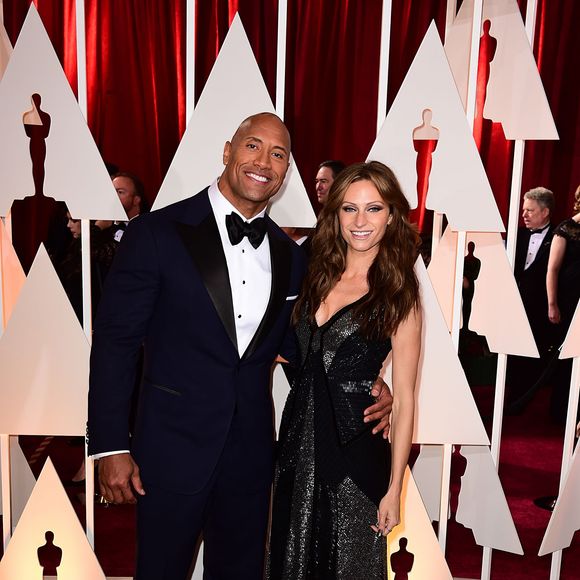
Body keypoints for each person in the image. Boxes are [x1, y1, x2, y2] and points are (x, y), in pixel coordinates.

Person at [88, 113, 391, 580]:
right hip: (170, 450)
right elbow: (115, 344)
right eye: (253, 146)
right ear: (227, 151)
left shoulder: (291, 257)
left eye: (278, 154)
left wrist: (367, 386)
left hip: (250, 455)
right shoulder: (158, 233)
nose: (263, 162)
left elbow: (303, 347)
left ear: (286, 171)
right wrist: (109, 446)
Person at [267, 161, 422, 578]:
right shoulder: (313, 273)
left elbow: (405, 399)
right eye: (349, 208)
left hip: (354, 456)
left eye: (374, 208)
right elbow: (289, 351)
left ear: (392, 215)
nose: (360, 221)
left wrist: (395, 490)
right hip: (295, 450)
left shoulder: (399, 293)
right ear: (334, 213)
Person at [506, 187, 556, 410]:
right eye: (524, 210)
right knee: (512, 354)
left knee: (533, 355)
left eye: (530, 210)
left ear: (545, 212)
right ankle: (509, 398)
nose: (524, 215)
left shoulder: (559, 237)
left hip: (540, 309)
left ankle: (523, 401)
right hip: (514, 307)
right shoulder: (515, 235)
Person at [546, 185, 580, 422]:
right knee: (567, 357)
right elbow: (552, 269)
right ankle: (562, 413)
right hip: (569, 300)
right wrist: (552, 304)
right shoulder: (566, 228)